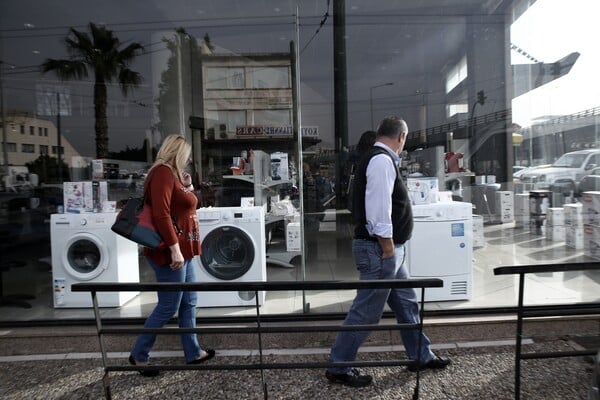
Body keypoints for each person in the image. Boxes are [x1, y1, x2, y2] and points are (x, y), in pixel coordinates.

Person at [325, 116, 450, 388]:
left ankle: (421, 355)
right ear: (401, 137)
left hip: (387, 250)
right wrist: (387, 245)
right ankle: (338, 365)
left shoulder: (377, 158)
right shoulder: (381, 161)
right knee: (367, 311)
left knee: (406, 305)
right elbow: (378, 207)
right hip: (380, 250)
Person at [129, 134, 215, 377]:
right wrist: (174, 247)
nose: (187, 159)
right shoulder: (162, 173)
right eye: (186, 154)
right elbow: (161, 215)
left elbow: (184, 205)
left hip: (182, 251)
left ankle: (193, 353)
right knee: (168, 306)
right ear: (177, 152)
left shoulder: (173, 176)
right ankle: (139, 355)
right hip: (170, 253)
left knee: (189, 302)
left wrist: (187, 187)